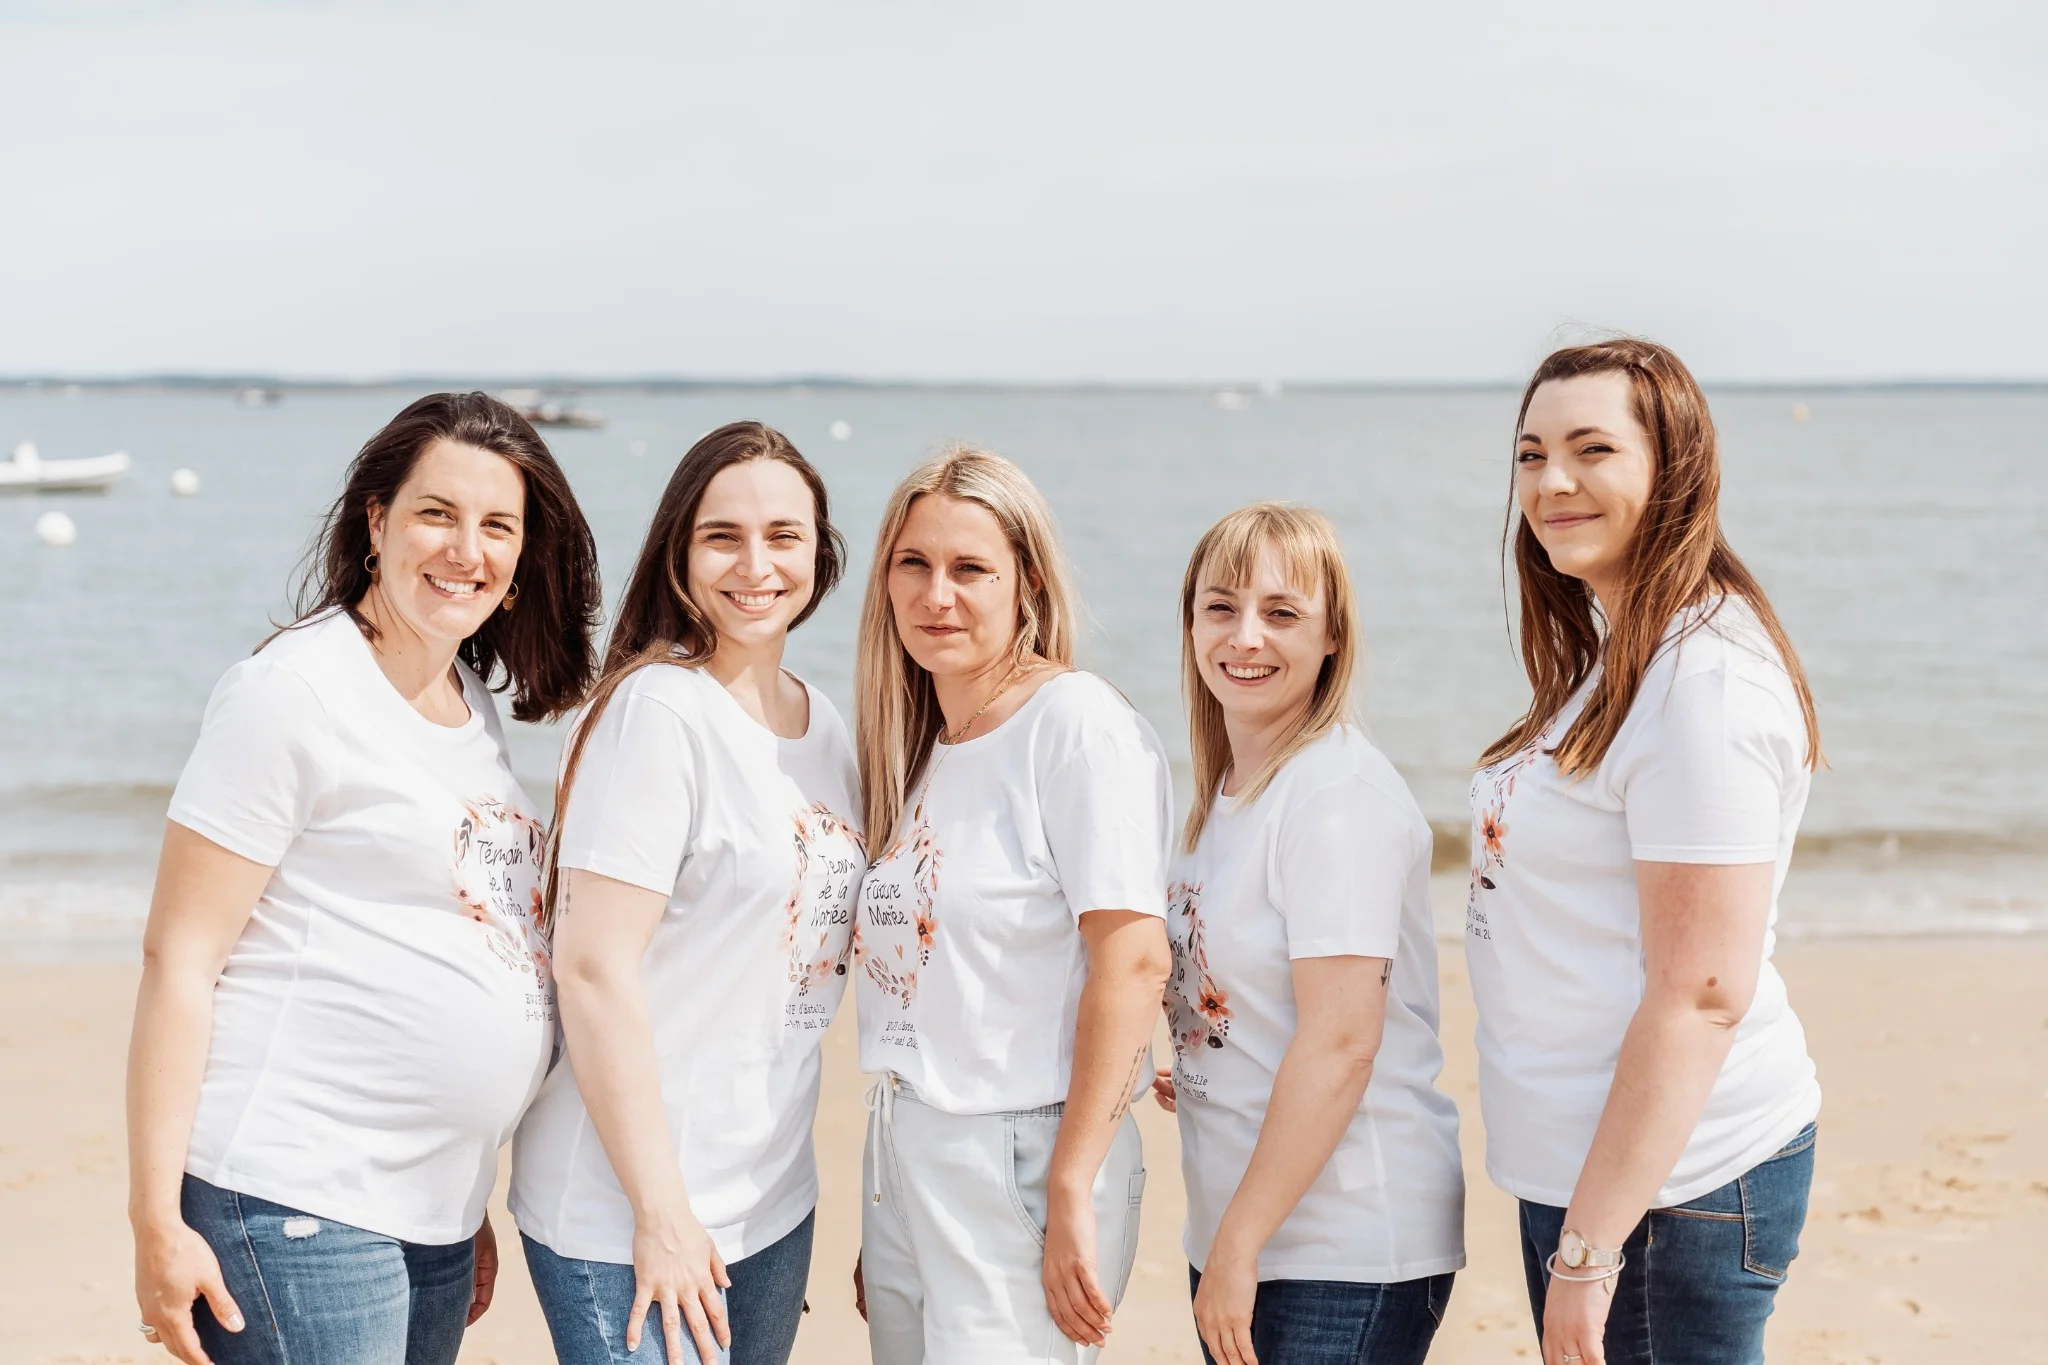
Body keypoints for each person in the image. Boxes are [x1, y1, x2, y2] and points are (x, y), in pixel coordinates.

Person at [126, 392, 602, 1365]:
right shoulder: (292, 693)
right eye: (436, 513)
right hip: (295, 1193)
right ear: (376, 522)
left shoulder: (469, 701)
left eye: (495, 525)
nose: (464, 548)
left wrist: (459, 1192)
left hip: (423, 1214)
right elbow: (179, 958)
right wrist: (153, 1222)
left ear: (519, 561)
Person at [1466, 338, 1823, 1365]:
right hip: (1600, 1177)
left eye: (1590, 449)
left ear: (1671, 467)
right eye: (1529, 454)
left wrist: (1586, 1250)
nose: (1551, 482)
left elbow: (1701, 992)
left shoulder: (1701, 684)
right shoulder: (1625, 648)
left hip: (1671, 1192)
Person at [510, 422, 858, 1365]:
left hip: (772, 1201)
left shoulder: (826, 725)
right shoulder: (656, 712)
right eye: (723, 536)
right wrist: (662, 1216)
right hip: (627, 1211)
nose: (757, 565)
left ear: (819, 555)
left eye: (784, 536)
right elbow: (589, 971)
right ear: (679, 553)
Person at [848, 446, 1173, 1364]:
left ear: (1026, 582)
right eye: (913, 564)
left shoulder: (1073, 724)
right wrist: (897, 1195)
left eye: (970, 568)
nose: (936, 595)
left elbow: (1136, 959)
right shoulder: (929, 743)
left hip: (1026, 1155)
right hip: (909, 1147)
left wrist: (1070, 1184)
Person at [1153, 502, 1465, 1365]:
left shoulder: (1335, 797)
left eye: (1281, 612)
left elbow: (1340, 1044)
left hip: (1341, 1242)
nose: (1244, 636)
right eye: (1220, 606)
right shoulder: (1227, 792)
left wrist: (1239, 1244)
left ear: (1333, 636)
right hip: (1248, 1228)